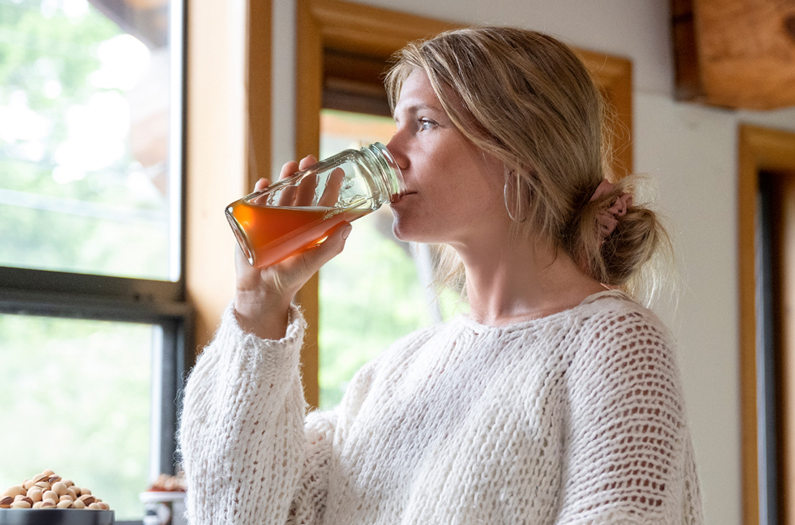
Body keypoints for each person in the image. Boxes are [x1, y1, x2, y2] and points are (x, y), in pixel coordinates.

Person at [179, 26, 703, 525]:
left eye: (424, 123)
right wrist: (259, 303)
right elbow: (239, 511)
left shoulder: (614, 344)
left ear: (521, 147)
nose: (390, 152)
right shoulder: (396, 373)